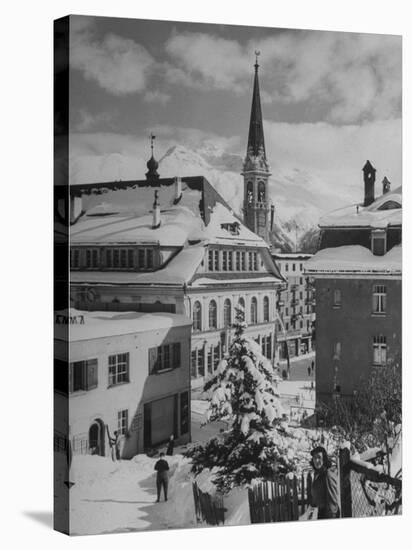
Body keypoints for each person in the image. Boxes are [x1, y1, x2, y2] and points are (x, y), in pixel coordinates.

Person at [310, 446, 340, 519]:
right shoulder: (317, 474)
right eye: (314, 457)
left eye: (319, 457)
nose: (316, 460)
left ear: (324, 459)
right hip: (321, 512)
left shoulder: (328, 474)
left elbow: (333, 502)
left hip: (329, 515)